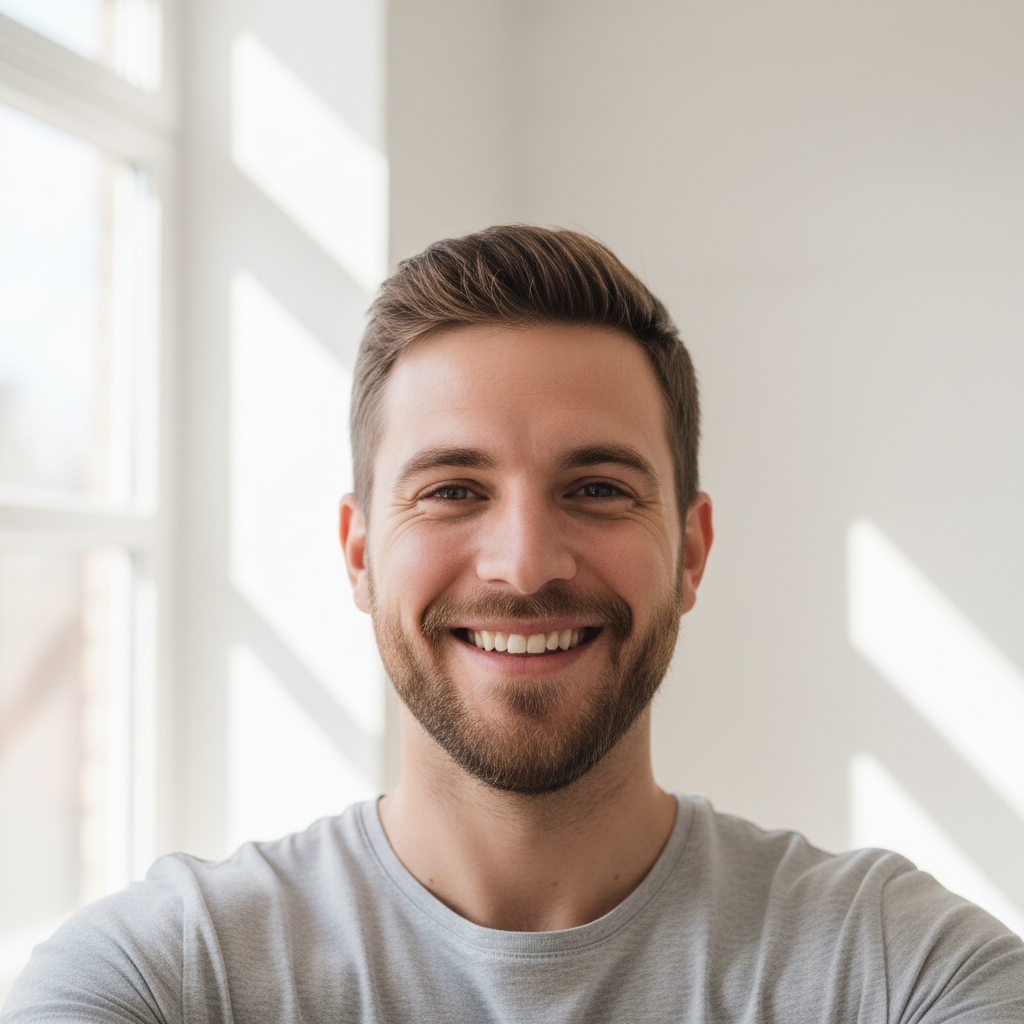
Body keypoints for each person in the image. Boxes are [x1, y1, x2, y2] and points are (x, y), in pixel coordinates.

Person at [3, 225, 1022, 1022]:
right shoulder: (164, 982)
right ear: (359, 554)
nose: (525, 564)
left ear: (692, 550)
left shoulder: (902, 975)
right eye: (451, 489)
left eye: (596, 487)